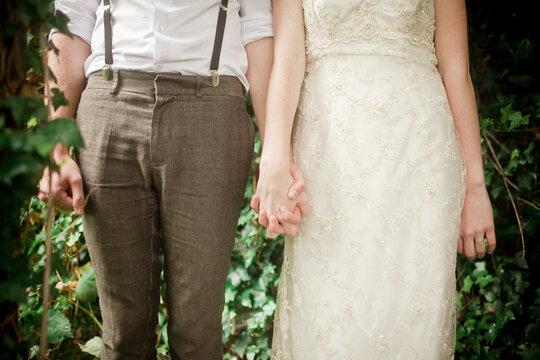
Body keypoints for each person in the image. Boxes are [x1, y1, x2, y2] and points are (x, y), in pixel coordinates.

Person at [38, 1, 308, 359]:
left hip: (211, 112)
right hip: (109, 108)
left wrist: (274, 154)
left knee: (198, 332)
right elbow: (72, 17)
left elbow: (258, 28)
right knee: (121, 335)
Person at [253, 0, 496, 358]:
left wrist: (475, 188)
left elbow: (456, 70)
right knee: (328, 322)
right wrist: (274, 159)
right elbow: (287, 58)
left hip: (419, 157)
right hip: (327, 162)